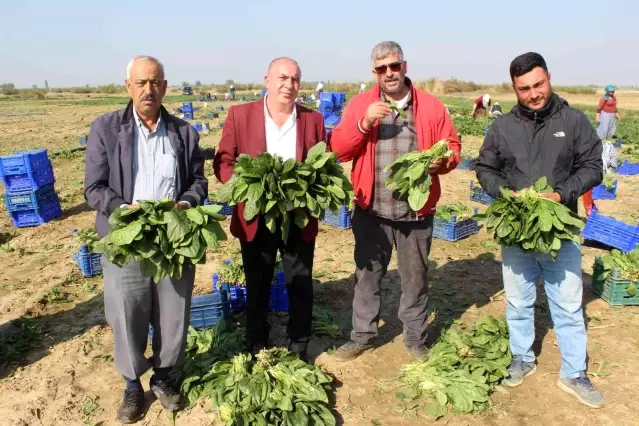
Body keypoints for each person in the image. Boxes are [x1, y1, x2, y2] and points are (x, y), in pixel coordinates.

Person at [475, 52, 604, 408]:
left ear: (548, 77)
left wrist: (562, 193)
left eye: (538, 84)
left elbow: (593, 166)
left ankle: (574, 372)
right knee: (518, 301)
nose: (533, 94)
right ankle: (522, 358)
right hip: (517, 230)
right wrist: (505, 193)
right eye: (524, 89)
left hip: (558, 229)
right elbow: (485, 167)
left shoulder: (573, 120)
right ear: (514, 89)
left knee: (567, 303)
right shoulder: (503, 127)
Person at [84, 56, 207, 423]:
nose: (148, 90)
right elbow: (94, 187)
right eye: (140, 83)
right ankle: (132, 386)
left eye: (155, 83)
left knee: (173, 312)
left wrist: (185, 202)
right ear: (128, 87)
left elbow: (199, 182)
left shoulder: (184, 133)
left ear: (165, 87)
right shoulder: (106, 128)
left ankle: (165, 377)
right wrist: (125, 209)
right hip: (126, 238)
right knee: (127, 311)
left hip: (172, 236)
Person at [329, 41, 461, 362]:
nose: (389, 73)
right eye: (381, 68)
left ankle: (415, 339)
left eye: (394, 66)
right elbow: (338, 149)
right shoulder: (361, 104)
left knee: (415, 278)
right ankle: (362, 335)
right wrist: (364, 123)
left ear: (405, 66)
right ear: (374, 72)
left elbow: (453, 147)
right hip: (372, 208)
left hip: (415, 211)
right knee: (367, 275)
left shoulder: (430, 105)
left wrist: (440, 163)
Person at [213, 57, 326, 361]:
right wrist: (245, 185)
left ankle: (299, 341)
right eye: (283, 77)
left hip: (297, 216)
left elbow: (321, 165)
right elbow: (223, 162)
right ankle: (256, 339)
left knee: (300, 280)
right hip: (255, 215)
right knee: (257, 279)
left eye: (295, 80)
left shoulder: (313, 120)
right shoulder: (240, 115)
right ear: (267, 80)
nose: (289, 85)